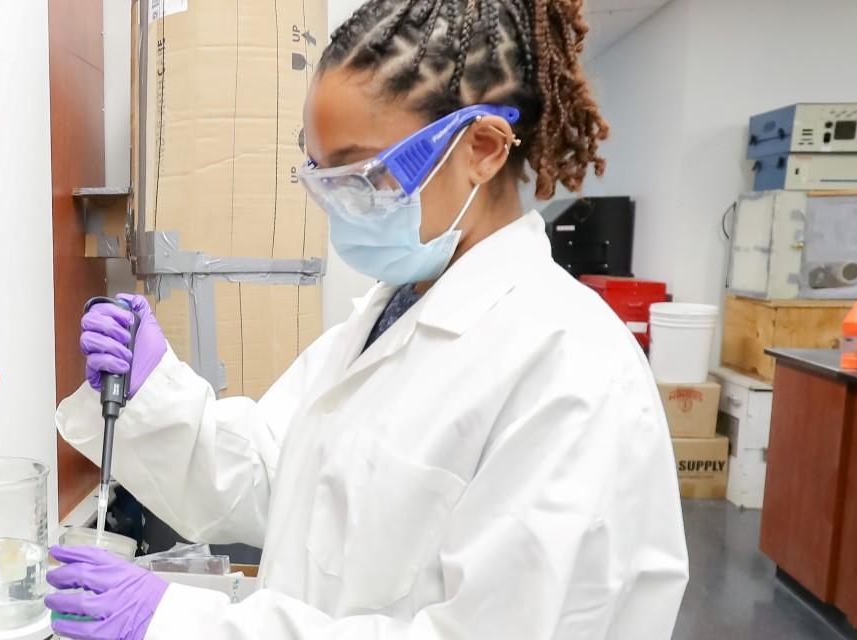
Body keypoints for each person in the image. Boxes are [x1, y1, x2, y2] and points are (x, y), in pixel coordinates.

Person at [44, 0, 690, 638]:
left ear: (485, 147)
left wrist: (182, 622)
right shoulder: (386, 316)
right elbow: (278, 477)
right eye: (322, 173)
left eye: (362, 174)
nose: (337, 205)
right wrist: (157, 390)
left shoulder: (571, 370)